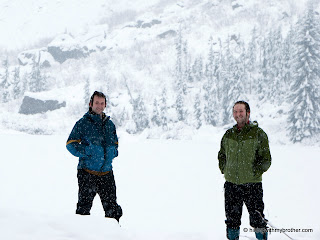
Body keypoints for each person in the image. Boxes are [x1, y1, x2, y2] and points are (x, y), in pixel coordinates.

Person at [218, 101, 271, 240]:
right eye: (235, 111)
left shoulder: (258, 134)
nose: (238, 114)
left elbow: (266, 159)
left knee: (257, 219)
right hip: (231, 185)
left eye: (241, 111)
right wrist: (225, 170)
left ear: (248, 113)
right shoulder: (229, 134)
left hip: (252, 185)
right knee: (232, 220)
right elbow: (221, 155)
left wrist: (254, 173)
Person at [66, 91, 122, 222]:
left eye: (102, 103)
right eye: (97, 103)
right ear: (90, 104)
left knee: (113, 211)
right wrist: (88, 151)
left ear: (105, 105)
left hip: (107, 173)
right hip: (87, 173)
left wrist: (114, 152)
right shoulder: (83, 123)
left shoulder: (110, 124)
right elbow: (70, 144)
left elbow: (115, 143)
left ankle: (113, 234)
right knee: (83, 211)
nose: (99, 106)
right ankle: (79, 235)